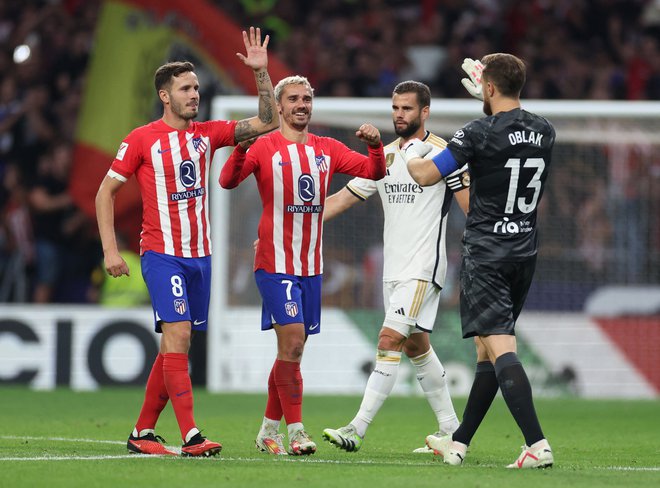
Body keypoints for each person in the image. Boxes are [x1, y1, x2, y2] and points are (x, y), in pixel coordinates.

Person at [95, 27, 279, 457]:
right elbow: (105, 191)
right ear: (165, 96)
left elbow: (268, 121)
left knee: (176, 344)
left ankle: (142, 432)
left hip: (201, 257)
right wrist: (108, 249)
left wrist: (261, 75)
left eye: (196, 87)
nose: (194, 94)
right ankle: (192, 434)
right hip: (162, 255)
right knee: (177, 335)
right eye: (185, 88)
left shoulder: (207, 134)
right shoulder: (140, 139)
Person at [219, 75, 386, 456]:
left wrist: (376, 146)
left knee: (291, 351)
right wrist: (240, 151)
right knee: (292, 342)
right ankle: (296, 432)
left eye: (307, 98)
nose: (301, 104)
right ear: (278, 106)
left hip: (310, 266)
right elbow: (227, 181)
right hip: (273, 262)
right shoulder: (265, 147)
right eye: (293, 98)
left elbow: (375, 173)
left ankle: (266, 430)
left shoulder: (327, 148)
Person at [406, 54, 555, 468]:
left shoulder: (476, 132)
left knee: (500, 345)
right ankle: (459, 443)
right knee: (486, 352)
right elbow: (507, 142)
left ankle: (537, 444)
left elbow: (425, 175)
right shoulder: (545, 131)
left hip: (487, 252)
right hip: (524, 250)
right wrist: (489, 103)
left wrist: (410, 153)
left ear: (487, 87)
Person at [320, 81, 470, 453]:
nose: (399, 115)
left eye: (407, 108)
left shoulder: (444, 154)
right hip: (394, 268)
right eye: (395, 108)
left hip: (423, 266)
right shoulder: (383, 158)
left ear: (425, 112)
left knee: (388, 341)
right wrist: (293, 221)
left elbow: (471, 206)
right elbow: (342, 198)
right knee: (416, 346)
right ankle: (452, 430)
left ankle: (356, 429)